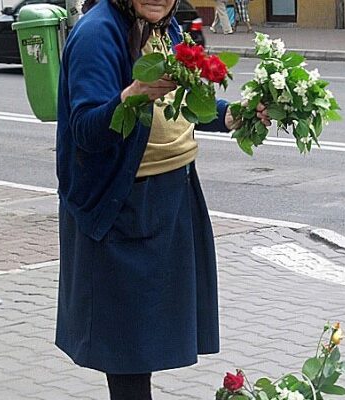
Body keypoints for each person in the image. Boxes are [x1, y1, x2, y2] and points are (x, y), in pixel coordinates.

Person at [54, 0, 270, 399]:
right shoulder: (98, 34)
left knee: (148, 342)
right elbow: (84, 128)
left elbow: (185, 106)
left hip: (174, 197)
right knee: (127, 351)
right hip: (123, 207)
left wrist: (231, 114)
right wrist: (132, 96)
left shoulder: (166, 30)